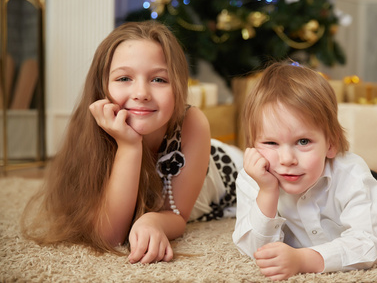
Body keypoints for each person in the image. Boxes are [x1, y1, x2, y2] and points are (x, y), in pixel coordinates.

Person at [21, 21, 242, 264]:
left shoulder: (192, 122)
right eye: (124, 78)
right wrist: (129, 145)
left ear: (178, 87)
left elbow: (177, 215)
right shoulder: (88, 127)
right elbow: (111, 234)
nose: (141, 93)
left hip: (226, 168)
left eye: (158, 79)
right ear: (102, 86)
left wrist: (153, 220)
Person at [232, 61, 377, 280]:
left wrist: (304, 260)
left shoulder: (352, 176)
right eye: (270, 143)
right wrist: (267, 193)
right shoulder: (252, 179)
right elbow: (252, 249)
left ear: (331, 143)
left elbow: (369, 245)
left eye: (303, 141)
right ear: (252, 145)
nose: (286, 159)